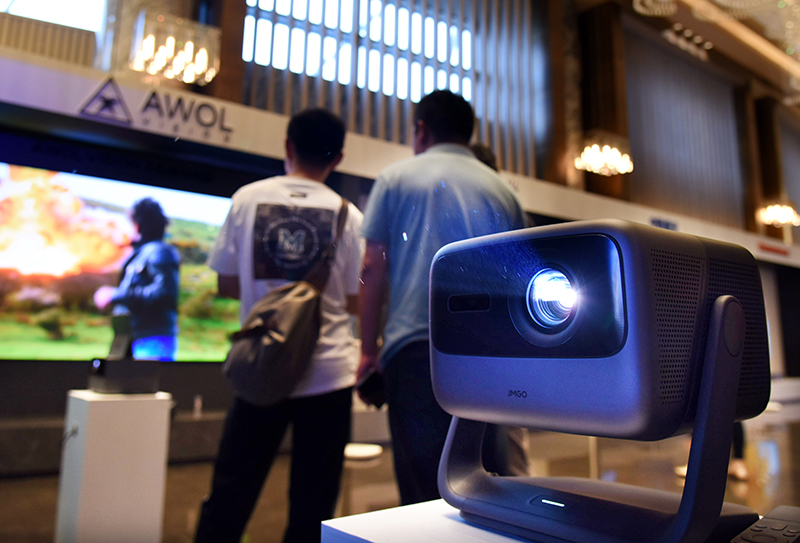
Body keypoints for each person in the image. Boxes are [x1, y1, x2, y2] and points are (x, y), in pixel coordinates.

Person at [194, 108, 363, 543]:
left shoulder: (247, 199)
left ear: (288, 146)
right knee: (313, 503)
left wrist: (267, 289)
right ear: (338, 158)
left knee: (231, 491)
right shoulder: (349, 215)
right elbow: (353, 299)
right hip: (328, 373)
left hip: (262, 363)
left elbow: (226, 283)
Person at [358, 90, 527, 505]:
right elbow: (519, 281)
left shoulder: (396, 178)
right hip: (488, 355)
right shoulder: (503, 191)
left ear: (421, 130)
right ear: (468, 134)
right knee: (486, 482)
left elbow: (373, 266)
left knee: (422, 491)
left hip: (414, 348)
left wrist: (367, 350)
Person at [94, 197, 180, 361]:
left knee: (148, 378)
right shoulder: (141, 254)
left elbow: (164, 292)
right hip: (132, 337)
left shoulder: (159, 252)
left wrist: (115, 295)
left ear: (138, 225)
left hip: (151, 339)